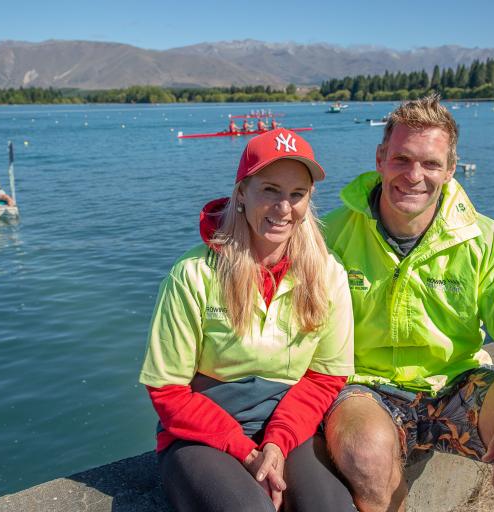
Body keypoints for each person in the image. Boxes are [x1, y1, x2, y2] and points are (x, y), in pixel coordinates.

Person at [323, 94, 494, 512]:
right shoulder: (330, 234)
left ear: (451, 170)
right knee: (365, 454)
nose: (414, 176)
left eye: (431, 164)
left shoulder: (481, 237)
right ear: (381, 157)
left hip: (455, 383)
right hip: (365, 386)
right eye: (402, 159)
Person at [140, 128, 356, 512]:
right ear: (242, 192)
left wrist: (276, 442)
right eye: (270, 190)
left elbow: (326, 377)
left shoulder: (328, 275)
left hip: (289, 424)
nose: (283, 208)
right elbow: (167, 391)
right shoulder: (193, 274)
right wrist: (247, 453)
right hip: (200, 432)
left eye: (296, 194)